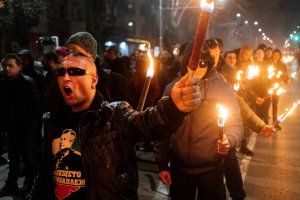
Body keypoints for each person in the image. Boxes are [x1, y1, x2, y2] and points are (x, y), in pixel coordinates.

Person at [26, 45, 201, 199]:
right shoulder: (52, 120)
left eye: (75, 72)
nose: (66, 78)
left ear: (93, 80)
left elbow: (147, 123)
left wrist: (173, 107)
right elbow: (43, 175)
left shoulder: (114, 115)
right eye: (61, 72)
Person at [155, 41, 243, 200]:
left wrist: (229, 141)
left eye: (203, 63)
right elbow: (163, 128)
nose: (198, 68)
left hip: (212, 169)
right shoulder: (173, 89)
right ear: (185, 62)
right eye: (193, 63)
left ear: (209, 63)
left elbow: (235, 124)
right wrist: (162, 164)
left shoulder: (223, 88)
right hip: (179, 169)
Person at [0, 54, 42, 196]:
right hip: (12, 128)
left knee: (29, 158)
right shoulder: (3, 83)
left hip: (27, 128)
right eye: (5, 65)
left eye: (10, 65)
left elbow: (36, 106)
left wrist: (28, 122)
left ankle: (30, 185)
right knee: (13, 158)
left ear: (19, 67)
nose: (7, 68)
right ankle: (11, 185)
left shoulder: (27, 82)